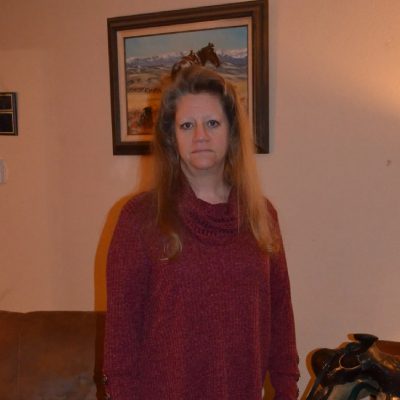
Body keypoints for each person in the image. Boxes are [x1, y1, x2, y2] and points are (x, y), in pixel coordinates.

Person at [103, 65, 299, 400]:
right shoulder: (140, 219)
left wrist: (286, 391)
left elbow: (281, 319)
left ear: (232, 131)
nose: (200, 136)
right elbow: (121, 343)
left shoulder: (261, 217)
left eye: (212, 123)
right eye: (186, 125)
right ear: (171, 137)